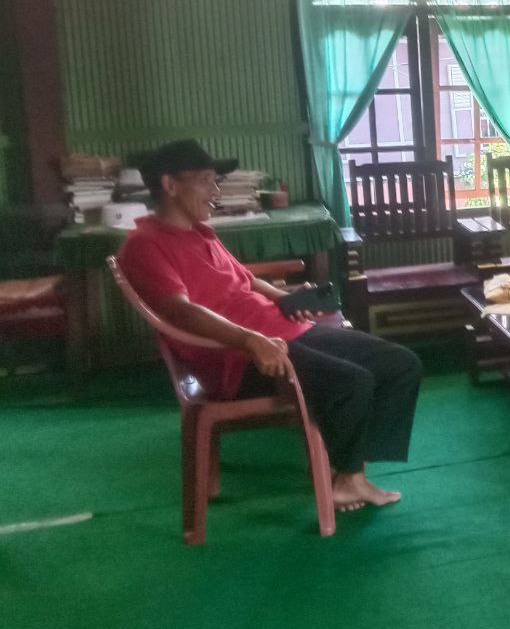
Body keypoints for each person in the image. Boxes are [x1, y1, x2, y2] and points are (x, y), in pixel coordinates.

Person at [119, 139, 423, 513]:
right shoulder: (144, 245)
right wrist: (251, 340)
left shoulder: (201, 233)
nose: (216, 192)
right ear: (170, 184)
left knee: (401, 363)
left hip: (281, 332)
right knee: (352, 382)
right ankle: (347, 475)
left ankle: (347, 470)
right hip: (238, 357)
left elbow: (246, 281)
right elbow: (181, 311)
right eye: (206, 181)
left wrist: (287, 298)